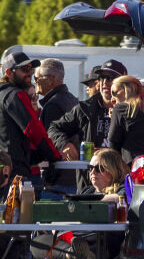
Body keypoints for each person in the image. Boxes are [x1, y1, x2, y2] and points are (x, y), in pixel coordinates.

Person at [0, 46, 56, 178]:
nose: (30, 73)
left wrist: (35, 156)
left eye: (31, 69)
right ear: (9, 72)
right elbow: (34, 130)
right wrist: (54, 155)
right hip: (12, 173)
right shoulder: (15, 95)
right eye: (25, 69)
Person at [51, 60, 124, 192]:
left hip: (121, 184)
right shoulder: (85, 109)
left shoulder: (132, 110)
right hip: (89, 185)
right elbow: (54, 128)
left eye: (110, 78)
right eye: (101, 78)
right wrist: (64, 144)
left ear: (123, 82)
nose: (105, 82)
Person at [33, 58, 79, 192]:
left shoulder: (53, 105)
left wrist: (49, 180)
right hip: (74, 176)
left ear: (50, 79)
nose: (35, 82)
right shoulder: (72, 99)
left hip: (59, 181)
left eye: (37, 78)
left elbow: (50, 144)